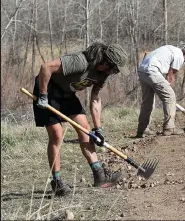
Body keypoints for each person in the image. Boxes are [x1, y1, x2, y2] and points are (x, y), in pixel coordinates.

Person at [33, 42, 129, 196]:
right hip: (47, 90)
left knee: (86, 130)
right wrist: (43, 95)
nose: (115, 72)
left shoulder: (102, 74)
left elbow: (95, 99)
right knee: (57, 134)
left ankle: (99, 175)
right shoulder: (80, 61)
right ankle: (57, 183)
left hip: (67, 95)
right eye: (115, 69)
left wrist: (98, 129)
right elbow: (46, 67)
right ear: (106, 63)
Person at [135, 43, 185, 138]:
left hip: (142, 71)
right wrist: (168, 91)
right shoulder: (179, 56)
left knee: (147, 102)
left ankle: (142, 130)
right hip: (152, 71)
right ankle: (169, 128)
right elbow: (170, 76)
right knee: (170, 96)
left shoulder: (171, 49)